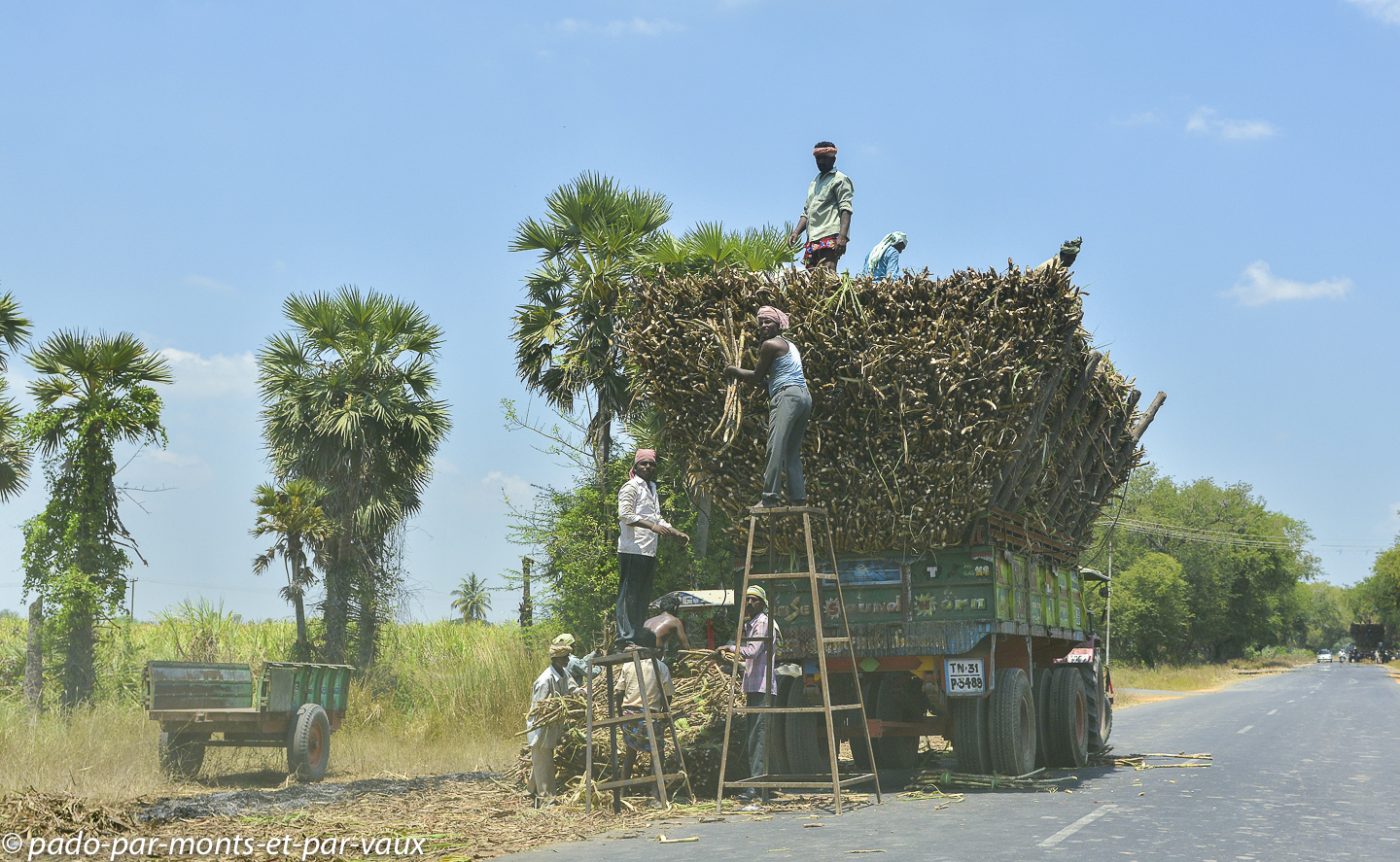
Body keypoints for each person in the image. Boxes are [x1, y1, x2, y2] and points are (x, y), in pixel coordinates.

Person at [723, 306, 812, 507]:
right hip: (804, 397)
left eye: (768, 322)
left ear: (778, 324)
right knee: (792, 450)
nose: (763, 326)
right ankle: (799, 498)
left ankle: (769, 497)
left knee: (775, 445)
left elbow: (756, 377)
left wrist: (732, 370)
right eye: (761, 322)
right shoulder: (790, 345)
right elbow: (772, 379)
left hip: (787, 397)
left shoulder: (770, 345)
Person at [617, 449, 688, 648]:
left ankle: (637, 635)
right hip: (632, 549)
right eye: (644, 463)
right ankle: (624, 638)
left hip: (648, 549)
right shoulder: (631, 487)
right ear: (636, 466)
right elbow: (625, 515)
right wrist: (652, 527)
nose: (648, 467)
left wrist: (675, 532)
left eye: (652, 464)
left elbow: (657, 518)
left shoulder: (652, 488)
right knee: (628, 596)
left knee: (642, 596)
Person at [735, 584, 778, 807]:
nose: (750, 603)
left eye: (754, 600)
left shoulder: (762, 623)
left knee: (758, 738)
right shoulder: (751, 624)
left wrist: (731, 649)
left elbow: (753, 651)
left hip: (762, 688)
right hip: (753, 686)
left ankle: (757, 787)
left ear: (762, 603)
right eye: (747, 600)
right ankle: (759, 785)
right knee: (754, 738)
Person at [614, 654, 676, 798]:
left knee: (630, 753)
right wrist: (664, 715)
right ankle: (656, 794)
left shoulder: (628, 665)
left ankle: (623, 793)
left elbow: (618, 693)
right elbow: (668, 696)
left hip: (630, 714)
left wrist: (620, 715)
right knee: (658, 753)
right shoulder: (661, 666)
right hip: (650, 714)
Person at [526, 641, 579, 805]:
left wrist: (579, 693)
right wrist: (556, 704)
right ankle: (546, 799)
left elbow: (572, 688)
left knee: (542, 761)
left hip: (553, 726)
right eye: (564, 657)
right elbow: (539, 707)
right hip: (541, 727)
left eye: (567, 656)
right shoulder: (545, 680)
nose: (567, 660)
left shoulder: (563, 673)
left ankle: (530, 791)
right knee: (544, 764)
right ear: (556, 659)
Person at [788, 141, 854, 271]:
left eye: (824, 158)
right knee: (812, 279)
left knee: (827, 275)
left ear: (833, 159)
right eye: (818, 159)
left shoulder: (840, 179)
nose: (821, 162)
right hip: (812, 237)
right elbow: (807, 212)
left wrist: (842, 236)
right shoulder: (814, 182)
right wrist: (796, 232)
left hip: (830, 234)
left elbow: (845, 209)